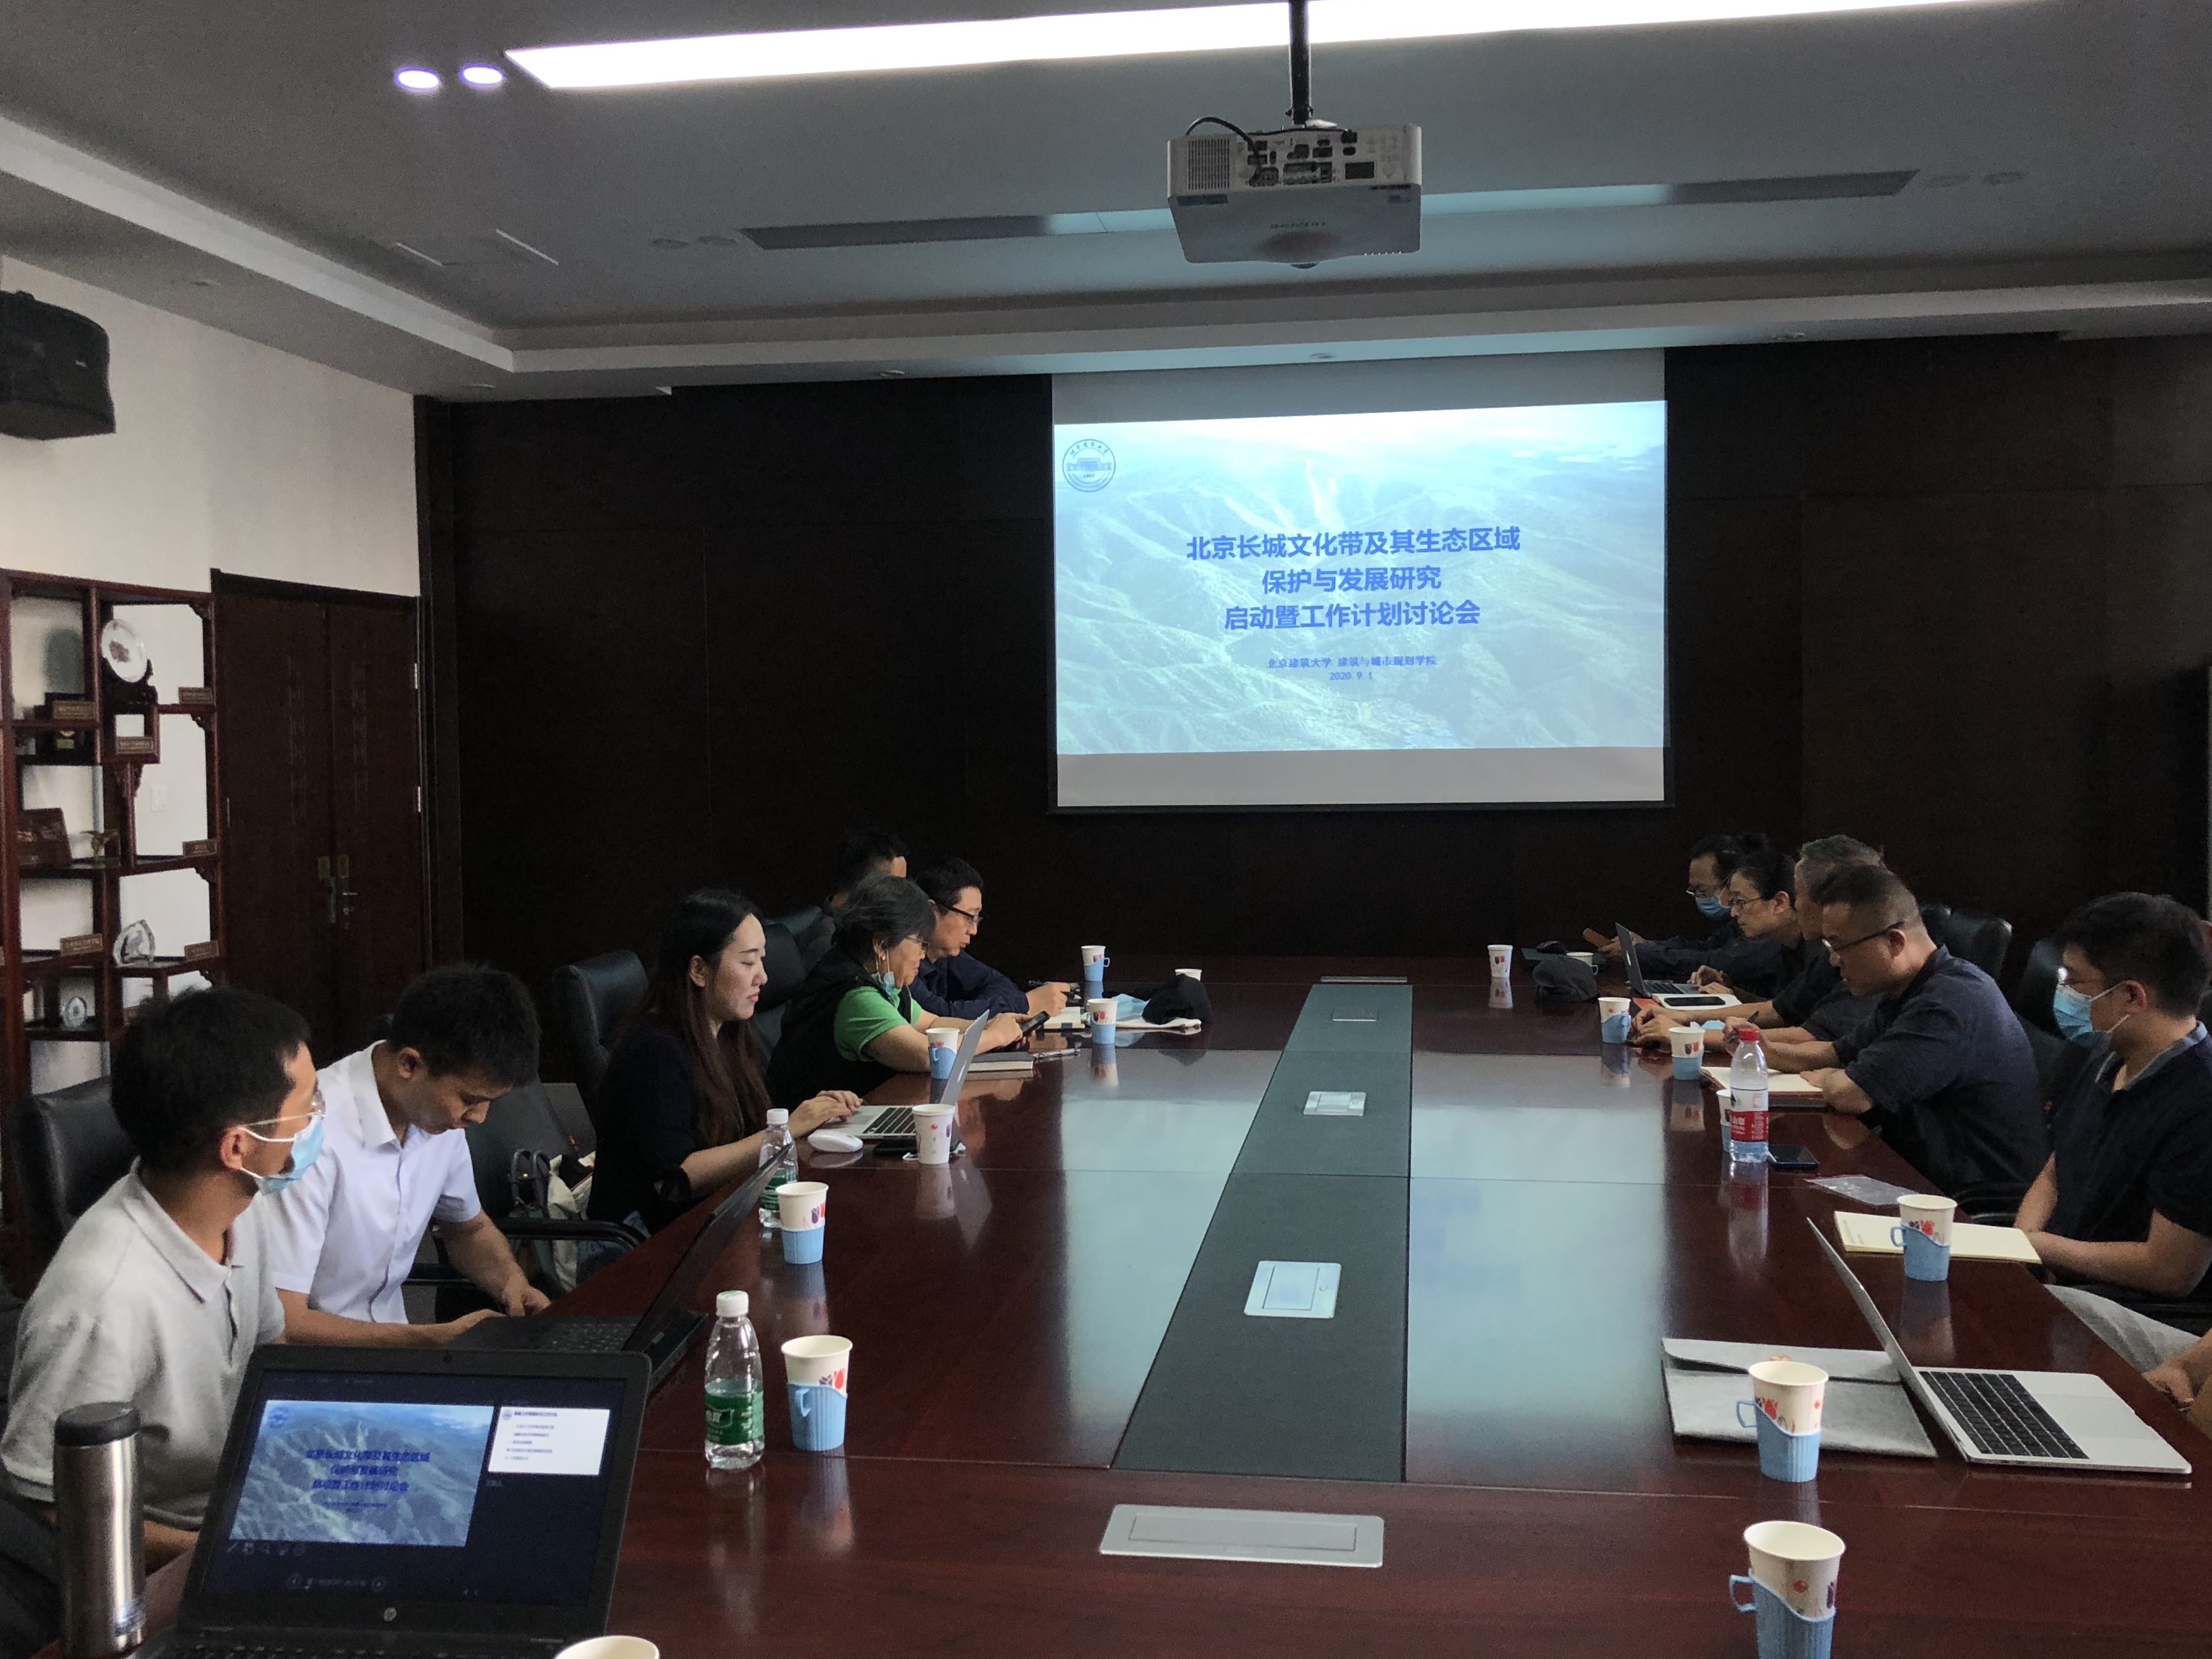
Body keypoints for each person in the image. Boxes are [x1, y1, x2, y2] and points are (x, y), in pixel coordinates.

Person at [3, 987, 312, 1570]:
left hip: (243, 1502)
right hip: (162, 1561)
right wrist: (226, 1554)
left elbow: (271, 1350)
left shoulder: (243, 1208)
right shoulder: (102, 1298)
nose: (316, 1122)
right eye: (307, 1109)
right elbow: (51, 1506)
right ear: (238, 1146)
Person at [265, 964, 548, 1345]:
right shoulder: (311, 1135)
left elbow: (468, 1229)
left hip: (393, 1341)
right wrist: (429, 1340)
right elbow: (285, 1324)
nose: (479, 1117)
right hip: (314, 1361)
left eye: (489, 1102)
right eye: (470, 1099)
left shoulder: (437, 1117)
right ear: (410, 1064)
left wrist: (511, 1281)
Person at [1759, 864, 2046, 1198]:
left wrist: (1830, 1078)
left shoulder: (1949, 1003)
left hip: (1967, 1202)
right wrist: (1766, 1052)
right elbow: (1835, 1052)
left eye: (1839, 946)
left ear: (1894, 941)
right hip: (1914, 1174)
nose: (1834, 961)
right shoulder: (1910, 988)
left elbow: (1851, 1094)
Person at [589, 889, 860, 1234]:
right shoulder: (654, 1050)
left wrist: (812, 1114)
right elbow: (675, 1179)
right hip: (641, 1241)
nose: (763, 977)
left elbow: (748, 1128)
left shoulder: (728, 1031)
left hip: (713, 1216)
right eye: (748, 962)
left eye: (762, 960)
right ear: (699, 970)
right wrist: (784, 1132)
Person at [2012, 894, 2212, 1302]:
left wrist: (2043, 1249)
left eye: (2074, 981)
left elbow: (2169, 1271)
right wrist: (2022, 1243)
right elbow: (2055, 1171)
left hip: (2126, 1306)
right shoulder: (2107, 1053)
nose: (2064, 991)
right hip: (2059, 1277)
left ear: (2132, 997)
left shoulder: (2200, 1102)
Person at [768, 874, 1028, 1106]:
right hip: (810, 1136)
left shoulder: (883, 979)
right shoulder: (855, 997)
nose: (922, 955)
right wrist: (995, 1036)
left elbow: (932, 1023)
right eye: (919, 943)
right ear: (882, 944)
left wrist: (989, 1025)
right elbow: (926, 1055)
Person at [1632, 836, 1884, 1053]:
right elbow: (1780, 1010)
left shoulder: (1862, 957)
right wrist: (1683, 1017)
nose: (1797, 905)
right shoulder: (1820, 951)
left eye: (1800, 896)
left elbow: (1815, 1037)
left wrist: (1685, 1034)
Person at [1584, 832, 1785, 989]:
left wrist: (1642, 952)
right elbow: (1706, 948)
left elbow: (1716, 961)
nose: (1734, 911)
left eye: (1703, 890)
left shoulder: (1769, 931)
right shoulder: (1740, 923)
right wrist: (1649, 946)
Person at [910, 855, 1071, 1021]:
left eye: (976, 919)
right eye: (968, 917)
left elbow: (999, 984)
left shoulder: (947, 956)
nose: (973, 931)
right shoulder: (903, 962)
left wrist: (994, 1010)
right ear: (932, 911)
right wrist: (1026, 1003)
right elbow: (937, 1018)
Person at [792, 827, 908, 971]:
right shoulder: (829, 946)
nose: (904, 895)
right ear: (869, 886)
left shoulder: (855, 932)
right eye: (897, 886)